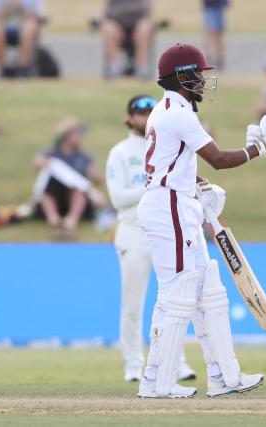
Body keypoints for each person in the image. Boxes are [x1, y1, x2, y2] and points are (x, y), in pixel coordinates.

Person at [136, 43, 266, 398]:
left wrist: (202, 187)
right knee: (176, 293)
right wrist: (263, 147)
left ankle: (224, 376)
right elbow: (220, 158)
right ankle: (155, 381)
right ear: (181, 77)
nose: (201, 81)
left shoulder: (167, 110)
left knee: (207, 289)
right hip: (169, 207)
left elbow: (176, 163)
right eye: (196, 75)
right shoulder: (177, 113)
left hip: (178, 202)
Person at [106, 94, 196, 383]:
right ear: (129, 117)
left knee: (174, 298)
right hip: (132, 230)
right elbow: (117, 198)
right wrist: (153, 187)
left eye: (149, 112)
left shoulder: (163, 143)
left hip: (163, 225)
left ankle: (177, 361)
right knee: (133, 301)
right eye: (139, 113)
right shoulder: (120, 152)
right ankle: (133, 364)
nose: (145, 118)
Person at [33, 117, 103, 240]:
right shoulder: (51, 154)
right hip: (53, 196)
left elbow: (98, 179)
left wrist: (94, 174)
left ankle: (70, 222)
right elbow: (37, 165)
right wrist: (47, 164)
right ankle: (54, 221)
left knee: (77, 188)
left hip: (76, 199)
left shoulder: (84, 157)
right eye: (77, 133)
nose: (80, 136)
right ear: (66, 136)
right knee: (48, 188)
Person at [0, 0, 46, 78]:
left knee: (29, 27)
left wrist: (21, 7)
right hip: (5, 30)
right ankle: (3, 68)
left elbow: (39, 17)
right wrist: (9, 7)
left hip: (27, 30)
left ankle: (23, 67)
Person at [102, 0, 154, 80]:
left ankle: (142, 68)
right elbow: (109, 12)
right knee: (108, 26)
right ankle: (115, 68)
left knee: (145, 26)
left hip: (137, 27)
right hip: (118, 27)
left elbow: (144, 10)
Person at [202, 0, 228, 69]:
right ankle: (208, 58)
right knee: (211, 32)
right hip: (210, 6)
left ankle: (219, 59)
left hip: (218, 6)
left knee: (218, 34)